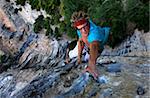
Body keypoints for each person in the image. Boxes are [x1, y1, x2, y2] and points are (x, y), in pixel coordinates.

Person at [66, 11, 110, 80]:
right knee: (72, 55)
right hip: (88, 47)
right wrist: (79, 58)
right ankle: (68, 54)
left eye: (85, 27)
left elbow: (94, 45)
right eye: (80, 29)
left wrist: (91, 66)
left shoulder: (94, 32)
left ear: (88, 23)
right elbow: (80, 42)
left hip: (100, 44)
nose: (83, 30)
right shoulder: (80, 28)